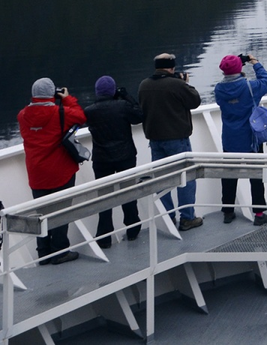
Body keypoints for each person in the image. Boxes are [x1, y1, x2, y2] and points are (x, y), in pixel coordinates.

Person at [18, 78, 86, 264]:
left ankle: (43, 253)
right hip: (60, 171)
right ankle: (60, 252)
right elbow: (81, 116)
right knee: (61, 212)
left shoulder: (23, 115)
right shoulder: (59, 113)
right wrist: (67, 99)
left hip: (36, 173)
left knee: (42, 215)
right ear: (51, 94)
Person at [139, 53, 204, 230]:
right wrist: (186, 83)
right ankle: (187, 218)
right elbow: (195, 101)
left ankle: (168, 218)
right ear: (172, 68)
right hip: (177, 139)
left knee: (162, 180)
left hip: (155, 140)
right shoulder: (177, 84)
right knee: (186, 178)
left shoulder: (144, 85)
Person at [213, 54, 267, 226]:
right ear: (239, 68)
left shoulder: (219, 89)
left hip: (230, 138)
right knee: (256, 175)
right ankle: (259, 213)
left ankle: (228, 211)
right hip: (250, 139)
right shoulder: (250, 87)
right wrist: (255, 63)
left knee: (229, 175)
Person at [84, 75, 145, 247]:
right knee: (128, 192)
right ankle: (133, 228)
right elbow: (139, 116)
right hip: (125, 156)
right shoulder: (123, 106)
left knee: (104, 197)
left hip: (102, 159)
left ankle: (104, 237)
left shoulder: (89, 111)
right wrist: (126, 96)